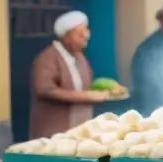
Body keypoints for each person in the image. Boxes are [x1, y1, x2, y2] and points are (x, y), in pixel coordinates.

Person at [29, 11, 108, 139]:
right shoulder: (47, 58)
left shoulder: (80, 57)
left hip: (81, 127)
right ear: (65, 37)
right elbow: (44, 90)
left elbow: (85, 85)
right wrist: (85, 96)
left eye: (86, 31)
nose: (86, 36)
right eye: (80, 34)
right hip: (55, 131)